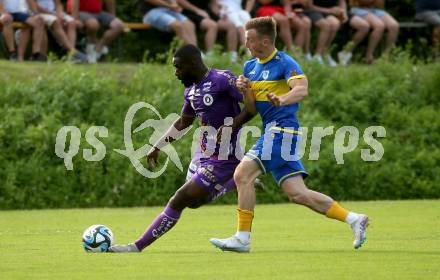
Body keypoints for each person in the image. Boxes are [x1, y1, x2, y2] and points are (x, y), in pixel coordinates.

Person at [209, 17, 369, 253]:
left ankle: (242, 238)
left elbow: (302, 89)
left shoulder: (284, 62)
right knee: (297, 194)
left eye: (249, 40)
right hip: (271, 130)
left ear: (264, 41)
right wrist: (245, 91)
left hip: (282, 130)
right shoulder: (250, 67)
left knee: (242, 175)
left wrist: (282, 99)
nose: (246, 44)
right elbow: (252, 109)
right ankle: (354, 219)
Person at [108, 44, 255, 253]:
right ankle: (234, 182)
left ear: (193, 63)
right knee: (194, 203)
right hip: (202, 155)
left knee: (179, 199)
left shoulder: (222, 80)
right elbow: (183, 122)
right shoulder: (191, 91)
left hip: (224, 158)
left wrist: (234, 124)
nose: (176, 73)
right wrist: (158, 145)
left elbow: (253, 105)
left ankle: (136, 246)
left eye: (178, 67)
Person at [303, 0, 347, 66]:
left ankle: (325, 53)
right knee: (325, 26)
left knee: (335, 23)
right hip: (312, 11)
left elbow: (342, 1)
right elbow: (309, 6)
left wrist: (343, 12)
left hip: (327, 12)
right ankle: (317, 55)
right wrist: (329, 10)